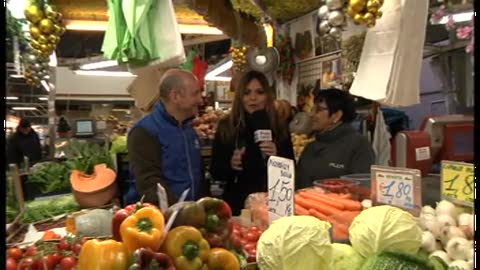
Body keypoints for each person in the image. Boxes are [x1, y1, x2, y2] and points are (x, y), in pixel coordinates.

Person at [210, 70, 295, 215]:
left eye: (259, 92)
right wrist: (231, 164)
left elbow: (292, 168)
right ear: (240, 96)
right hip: (238, 203)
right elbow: (216, 172)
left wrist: (278, 155)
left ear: (267, 96)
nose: (253, 98)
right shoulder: (227, 126)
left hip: (274, 202)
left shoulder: (278, 125)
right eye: (247, 93)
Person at [127, 69, 208, 206]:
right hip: (159, 219)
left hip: (190, 217)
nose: (200, 100)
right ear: (175, 96)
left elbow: (198, 176)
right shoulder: (144, 132)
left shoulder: (189, 131)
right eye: (195, 94)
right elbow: (149, 184)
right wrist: (179, 212)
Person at [296, 89, 375, 189]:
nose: (311, 114)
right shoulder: (311, 147)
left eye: (318, 110)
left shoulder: (359, 145)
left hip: (338, 203)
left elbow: (361, 188)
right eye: (313, 109)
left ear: (336, 116)